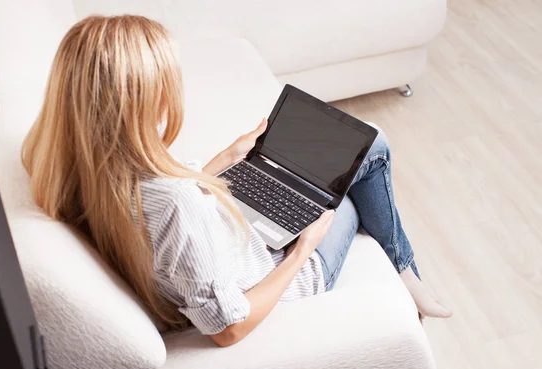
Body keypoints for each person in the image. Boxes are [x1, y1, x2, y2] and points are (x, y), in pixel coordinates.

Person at [22, 15, 451, 348]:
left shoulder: (68, 167)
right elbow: (229, 328)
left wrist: (222, 163)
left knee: (341, 150)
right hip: (275, 266)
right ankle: (404, 272)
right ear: (143, 102)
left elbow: (158, 220)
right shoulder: (173, 201)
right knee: (368, 149)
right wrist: (302, 247)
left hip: (229, 232)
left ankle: (403, 269)